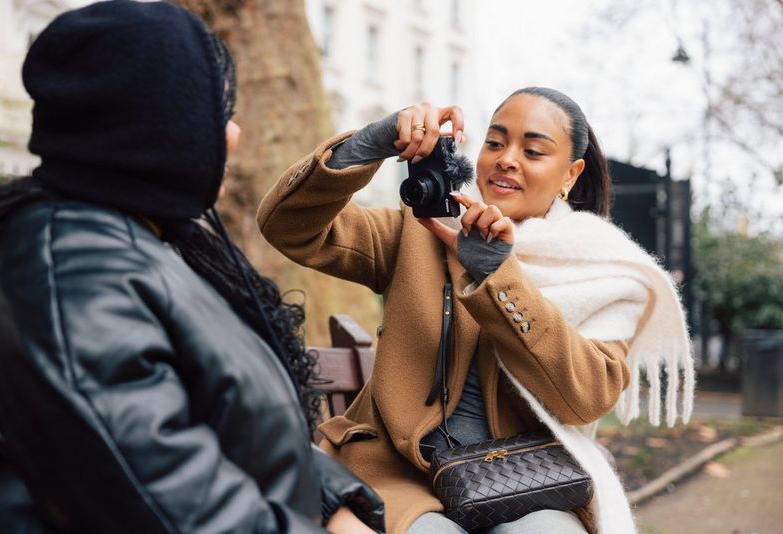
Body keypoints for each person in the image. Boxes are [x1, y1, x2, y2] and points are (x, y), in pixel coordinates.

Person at [0, 2, 385, 532]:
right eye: (216, 113)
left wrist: (336, 501)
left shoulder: (141, 245)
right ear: (152, 125)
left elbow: (232, 431)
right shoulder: (70, 278)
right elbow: (173, 510)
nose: (234, 135)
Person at [256, 88, 695, 534]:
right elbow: (289, 227)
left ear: (570, 174)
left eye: (534, 150)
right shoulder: (422, 229)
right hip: (396, 474)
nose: (506, 159)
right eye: (495, 142)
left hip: (519, 481)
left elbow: (586, 397)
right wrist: (369, 144)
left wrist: (496, 275)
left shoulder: (607, 271)